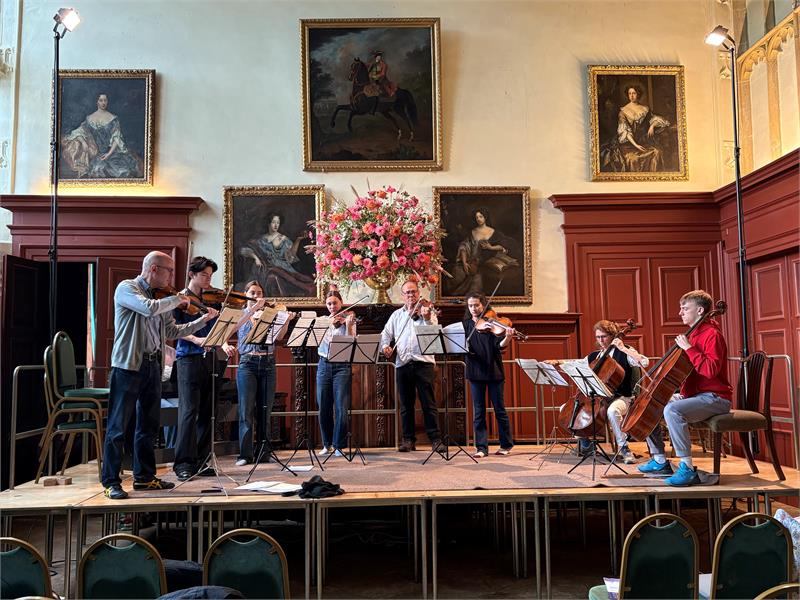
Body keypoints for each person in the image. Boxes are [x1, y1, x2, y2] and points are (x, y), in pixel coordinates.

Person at [101, 251, 218, 499]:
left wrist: (202, 320)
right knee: (118, 427)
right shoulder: (127, 288)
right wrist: (179, 299)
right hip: (128, 366)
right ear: (154, 269)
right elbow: (148, 309)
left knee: (148, 425)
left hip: (153, 365)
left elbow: (172, 330)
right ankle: (111, 480)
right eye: (169, 272)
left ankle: (143, 478)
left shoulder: (161, 297)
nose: (171, 277)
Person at [638, 289, 732, 486]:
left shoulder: (712, 335)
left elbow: (709, 371)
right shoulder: (692, 335)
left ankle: (687, 468)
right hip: (696, 396)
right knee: (652, 402)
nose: (680, 313)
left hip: (715, 398)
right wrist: (682, 393)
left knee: (671, 410)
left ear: (700, 310)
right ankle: (660, 460)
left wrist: (689, 348)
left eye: (684, 308)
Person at [172, 257, 236, 481]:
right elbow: (175, 329)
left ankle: (200, 460)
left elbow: (218, 329)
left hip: (211, 359)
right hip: (188, 358)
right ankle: (182, 463)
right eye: (204, 275)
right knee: (189, 411)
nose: (208, 279)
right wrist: (196, 340)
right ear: (192, 274)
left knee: (209, 412)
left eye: (210, 276)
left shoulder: (213, 300)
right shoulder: (180, 299)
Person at [380, 280, 442, 452]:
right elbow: (385, 334)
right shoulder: (397, 315)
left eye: (413, 292)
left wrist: (428, 319)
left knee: (428, 404)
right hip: (403, 363)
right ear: (403, 295)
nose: (411, 295)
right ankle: (408, 440)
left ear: (418, 293)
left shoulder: (427, 310)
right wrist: (385, 346)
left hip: (424, 364)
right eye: (407, 292)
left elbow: (434, 332)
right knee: (406, 406)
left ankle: (435, 440)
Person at [587, 320, 650, 464]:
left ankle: (624, 448)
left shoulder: (624, 352)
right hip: (602, 398)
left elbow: (644, 362)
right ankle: (585, 445)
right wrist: (558, 362)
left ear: (613, 336)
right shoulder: (595, 356)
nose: (601, 340)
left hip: (625, 397)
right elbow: (578, 365)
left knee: (612, 411)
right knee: (577, 410)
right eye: (598, 337)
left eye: (604, 336)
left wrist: (623, 348)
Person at [463, 292, 514, 458]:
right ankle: (481, 448)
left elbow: (500, 345)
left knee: (500, 410)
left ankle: (505, 444)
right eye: (470, 305)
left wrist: (507, 337)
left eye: (477, 305)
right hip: (475, 371)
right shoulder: (465, 325)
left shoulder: (493, 323)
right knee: (478, 412)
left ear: (483, 305)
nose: (474, 308)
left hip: (494, 370)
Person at [232, 280, 274, 466]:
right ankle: (245, 454)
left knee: (265, 409)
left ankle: (264, 452)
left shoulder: (270, 315)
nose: (256, 296)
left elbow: (279, 338)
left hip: (267, 362)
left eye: (259, 293)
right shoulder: (240, 315)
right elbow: (227, 333)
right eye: (253, 292)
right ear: (245, 294)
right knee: (246, 410)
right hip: (247, 363)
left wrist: (285, 322)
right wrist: (225, 345)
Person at [61, 93, 142, 179]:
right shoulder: (89, 118)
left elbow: (116, 139)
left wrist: (108, 154)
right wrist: (84, 142)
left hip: (111, 153)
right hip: (95, 154)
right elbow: (79, 132)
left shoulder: (113, 119)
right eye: (101, 100)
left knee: (120, 171)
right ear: (97, 102)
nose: (103, 103)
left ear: (107, 102)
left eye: (105, 100)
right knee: (96, 169)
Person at [316, 290, 357, 456]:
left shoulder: (348, 320)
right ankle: (327, 444)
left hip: (342, 366)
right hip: (324, 365)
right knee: (323, 406)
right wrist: (328, 325)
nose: (332, 306)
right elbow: (318, 341)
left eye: (335, 303)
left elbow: (352, 342)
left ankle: (339, 444)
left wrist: (348, 325)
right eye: (329, 303)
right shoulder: (321, 321)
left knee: (341, 406)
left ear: (341, 303)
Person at [447, 207, 519, 297]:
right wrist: (465, 262)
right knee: (457, 275)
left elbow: (503, 245)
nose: (478, 219)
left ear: (485, 217)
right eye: (477, 217)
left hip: (483, 262)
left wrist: (491, 247)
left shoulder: (493, 232)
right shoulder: (473, 231)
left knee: (476, 285)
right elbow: (464, 246)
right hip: (469, 261)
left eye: (480, 216)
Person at [240, 213, 316, 297]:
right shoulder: (261, 240)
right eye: (273, 222)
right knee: (271, 277)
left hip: (283, 268)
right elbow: (244, 250)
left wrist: (298, 240)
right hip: (266, 267)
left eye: (278, 223)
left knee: (297, 281)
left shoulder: (284, 239)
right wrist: (256, 257)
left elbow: (290, 258)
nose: (276, 225)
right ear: (269, 223)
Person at [601, 85, 671, 173]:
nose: (631, 96)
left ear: (638, 94)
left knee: (657, 152)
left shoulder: (645, 109)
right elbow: (625, 131)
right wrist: (636, 145)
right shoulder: (623, 111)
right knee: (633, 159)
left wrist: (652, 126)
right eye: (629, 93)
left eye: (634, 93)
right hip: (628, 143)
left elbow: (656, 119)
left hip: (644, 141)